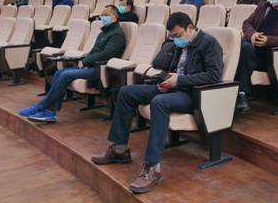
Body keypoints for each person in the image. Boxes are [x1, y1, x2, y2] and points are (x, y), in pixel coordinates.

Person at [91, 12, 223, 194]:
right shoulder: (178, 44)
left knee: (159, 102)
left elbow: (213, 76)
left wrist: (179, 80)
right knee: (126, 92)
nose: (176, 39)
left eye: (177, 35)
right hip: (172, 87)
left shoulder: (209, 43)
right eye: (172, 36)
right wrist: (164, 79)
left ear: (190, 28)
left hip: (192, 94)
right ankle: (120, 149)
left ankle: (152, 168)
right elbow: (164, 66)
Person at [18, 5, 126, 122]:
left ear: (115, 16)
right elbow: (94, 51)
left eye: (106, 15)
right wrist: (84, 60)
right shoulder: (103, 32)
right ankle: (50, 112)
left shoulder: (117, 34)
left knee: (65, 75)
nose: (103, 17)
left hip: (101, 70)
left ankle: (40, 107)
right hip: (92, 66)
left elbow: (107, 54)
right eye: (102, 15)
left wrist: (85, 62)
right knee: (59, 73)